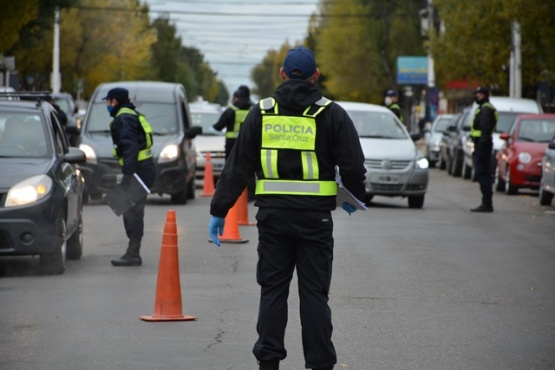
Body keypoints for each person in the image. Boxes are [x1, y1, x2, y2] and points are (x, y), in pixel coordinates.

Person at [208, 46, 367, 370]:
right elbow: (353, 165)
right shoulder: (331, 113)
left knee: (273, 293)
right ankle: (320, 364)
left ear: (282, 74)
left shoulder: (262, 112)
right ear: (315, 76)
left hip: (273, 219)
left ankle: (268, 363)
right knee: (314, 295)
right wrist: (353, 196)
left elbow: (238, 167)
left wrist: (219, 210)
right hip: (316, 221)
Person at [104, 87, 157, 266]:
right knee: (126, 207)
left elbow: (130, 147)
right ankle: (133, 251)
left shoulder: (124, 118)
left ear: (115, 102)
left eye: (108, 101)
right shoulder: (132, 114)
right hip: (143, 170)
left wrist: (128, 175)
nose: (107, 105)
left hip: (139, 171)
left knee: (131, 211)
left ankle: (133, 253)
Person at [470, 86, 498, 213]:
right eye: (476, 94)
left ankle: (487, 203)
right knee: (482, 174)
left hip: (483, 146)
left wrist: (480, 149)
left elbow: (485, 131)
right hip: (481, 145)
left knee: (483, 174)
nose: (477, 96)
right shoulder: (483, 108)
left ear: (486, 95)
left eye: (479, 95)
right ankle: (486, 203)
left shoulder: (486, 109)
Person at [213, 87, 254, 159]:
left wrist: (213, 126)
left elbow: (219, 126)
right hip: (249, 144)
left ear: (236, 98)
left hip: (231, 144)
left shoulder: (230, 111)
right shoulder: (254, 110)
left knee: (230, 166)